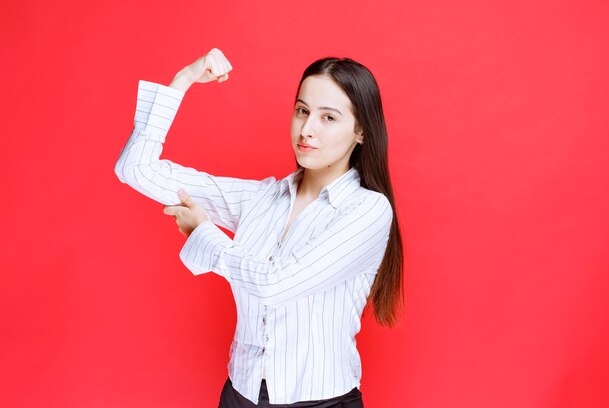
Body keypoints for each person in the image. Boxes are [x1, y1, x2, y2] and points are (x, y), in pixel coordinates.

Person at [114, 48, 404, 407]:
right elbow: (136, 170)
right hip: (240, 395)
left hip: (321, 402)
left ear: (361, 131)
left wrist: (204, 236)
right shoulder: (260, 199)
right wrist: (183, 79)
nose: (307, 129)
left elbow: (276, 283)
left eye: (328, 118)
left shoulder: (367, 210)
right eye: (302, 111)